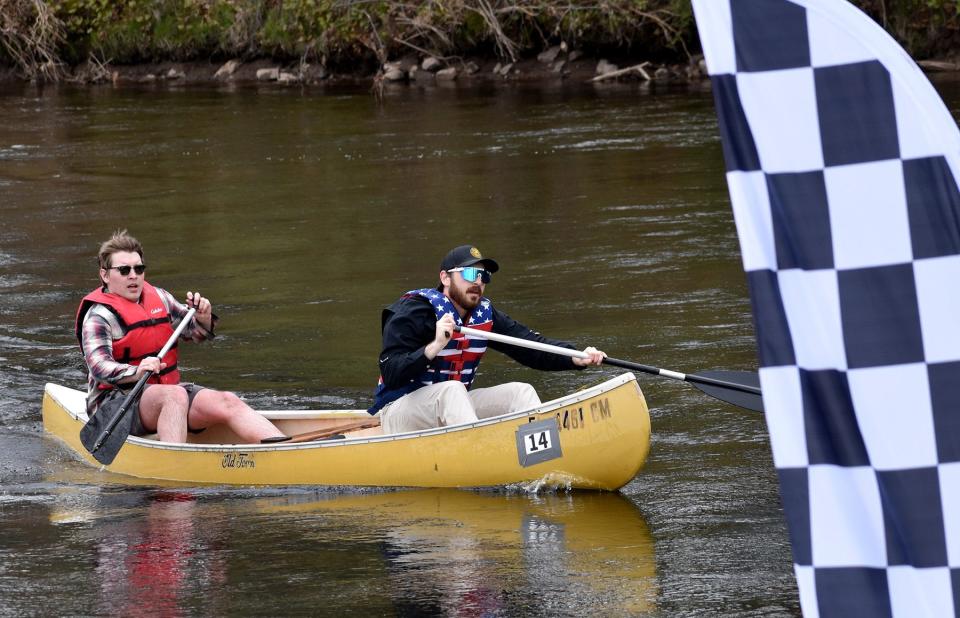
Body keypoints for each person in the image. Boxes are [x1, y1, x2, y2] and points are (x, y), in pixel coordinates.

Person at [76, 230, 284, 444]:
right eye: (124, 270)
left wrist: (202, 317)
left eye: (138, 269)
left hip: (166, 395)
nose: (133, 275)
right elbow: (99, 367)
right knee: (174, 396)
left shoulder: (160, 298)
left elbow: (196, 332)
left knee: (227, 401)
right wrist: (136, 372)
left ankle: (283, 449)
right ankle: (176, 464)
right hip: (114, 404)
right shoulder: (98, 316)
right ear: (105, 275)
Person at [370, 244, 605, 433]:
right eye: (470, 273)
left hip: (453, 408)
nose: (478, 282)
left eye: (484, 276)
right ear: (445, 278)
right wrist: (435, 346)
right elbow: (391, 372)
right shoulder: (412, 311)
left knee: (520, 392)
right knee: (452, 390)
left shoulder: (485, 315)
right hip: (399, 411)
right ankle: (480, 458)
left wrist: (575, 357)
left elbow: (531, 347)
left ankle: (543, 456)